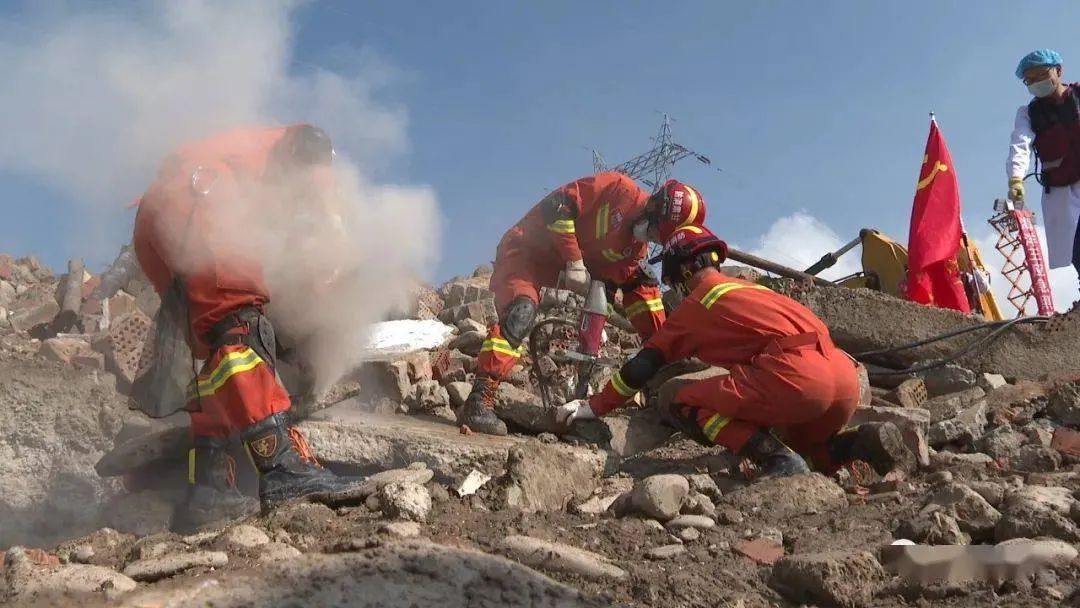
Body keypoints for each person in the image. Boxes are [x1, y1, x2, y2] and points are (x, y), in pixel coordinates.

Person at [132, 124, 360, 529]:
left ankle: (206, 488)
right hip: (201, 197)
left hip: (160, 217)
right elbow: (320, 222)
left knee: (217, 348)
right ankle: (281, 468)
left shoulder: (255, 151)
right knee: (240, 323)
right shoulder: (304, 151)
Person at [556, 226, 912, 479]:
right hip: (843, 377)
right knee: (807, 450)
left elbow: (642, 366)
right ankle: (858, 444)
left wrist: (593, 406)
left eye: (676, 281)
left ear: (683, 271)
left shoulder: (699, 302)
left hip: (798, 380)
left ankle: (774, 460)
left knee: (680, 400)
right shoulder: (751, 290)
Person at [459, 172, 709, 435]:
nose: (654, 238)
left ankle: (658, 379)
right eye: (658, 230)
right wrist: (574, 260)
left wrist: (608, 331)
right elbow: (556, 208)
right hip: (524, 251)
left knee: (644, 287)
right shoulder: (616, 189)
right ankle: (478, 402)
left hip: (561, 269)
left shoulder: (634, 248)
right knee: (521, 312)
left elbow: (622, 284)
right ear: (656, 205)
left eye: (661, 238)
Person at [1007, 49, 1080, 288]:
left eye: (1041, 75)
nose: (1037, 83)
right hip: (1060, 191)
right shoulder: (1029, 114)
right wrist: (1016, 179)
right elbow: (1020, 144)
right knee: (1076, 248)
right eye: (1031, 80)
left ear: (1058, 71)